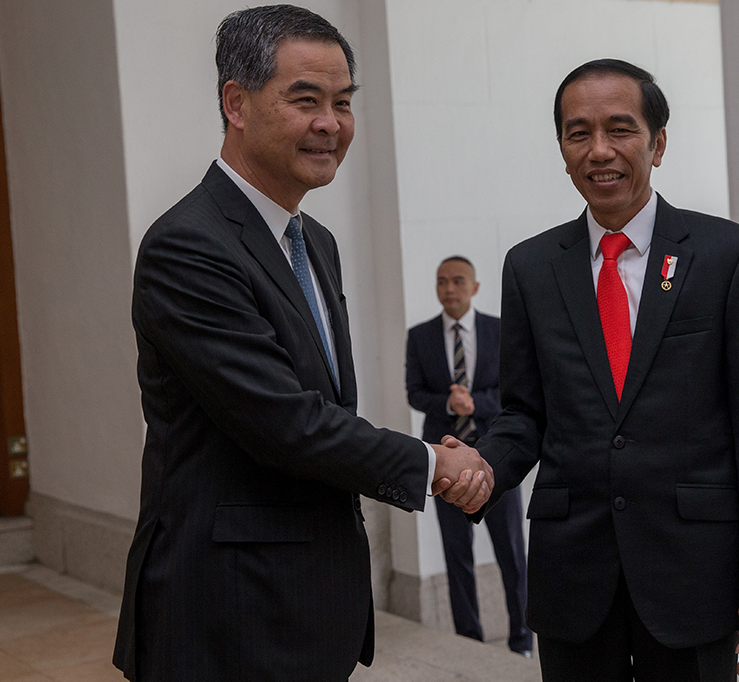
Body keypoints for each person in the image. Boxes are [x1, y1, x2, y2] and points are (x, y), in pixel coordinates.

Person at [111, 6, 492, 681]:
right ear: (237, 102)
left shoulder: (314, 242)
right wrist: (431, 464)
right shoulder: (188, 246)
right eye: (306, 99)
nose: (331, 124)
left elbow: (325, 407)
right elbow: (285, 422)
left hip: (307, 603)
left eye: (343, 103)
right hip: (224, 611)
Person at [460, 59, 739, 681]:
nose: (599, 151)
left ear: (658, 142)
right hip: (574, 575)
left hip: (694, 572)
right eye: (577, 132)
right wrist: (481, 467)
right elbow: (525, 414)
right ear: (561, 148)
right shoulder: (530, 268)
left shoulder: (730, 256)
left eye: (620, 130)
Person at [406, 256, 533, 656]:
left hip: (496, 462)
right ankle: (470, 641)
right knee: (456, 556)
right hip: (444, 466)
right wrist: (448, 402)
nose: (449, 289)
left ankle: (522, 641)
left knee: (512, 555)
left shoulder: (500, 330)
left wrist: (473, 403)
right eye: (442, 281)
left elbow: (517, 393)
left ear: (475, 287)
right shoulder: (420, 335)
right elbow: (414, 392)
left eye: (458, 281)